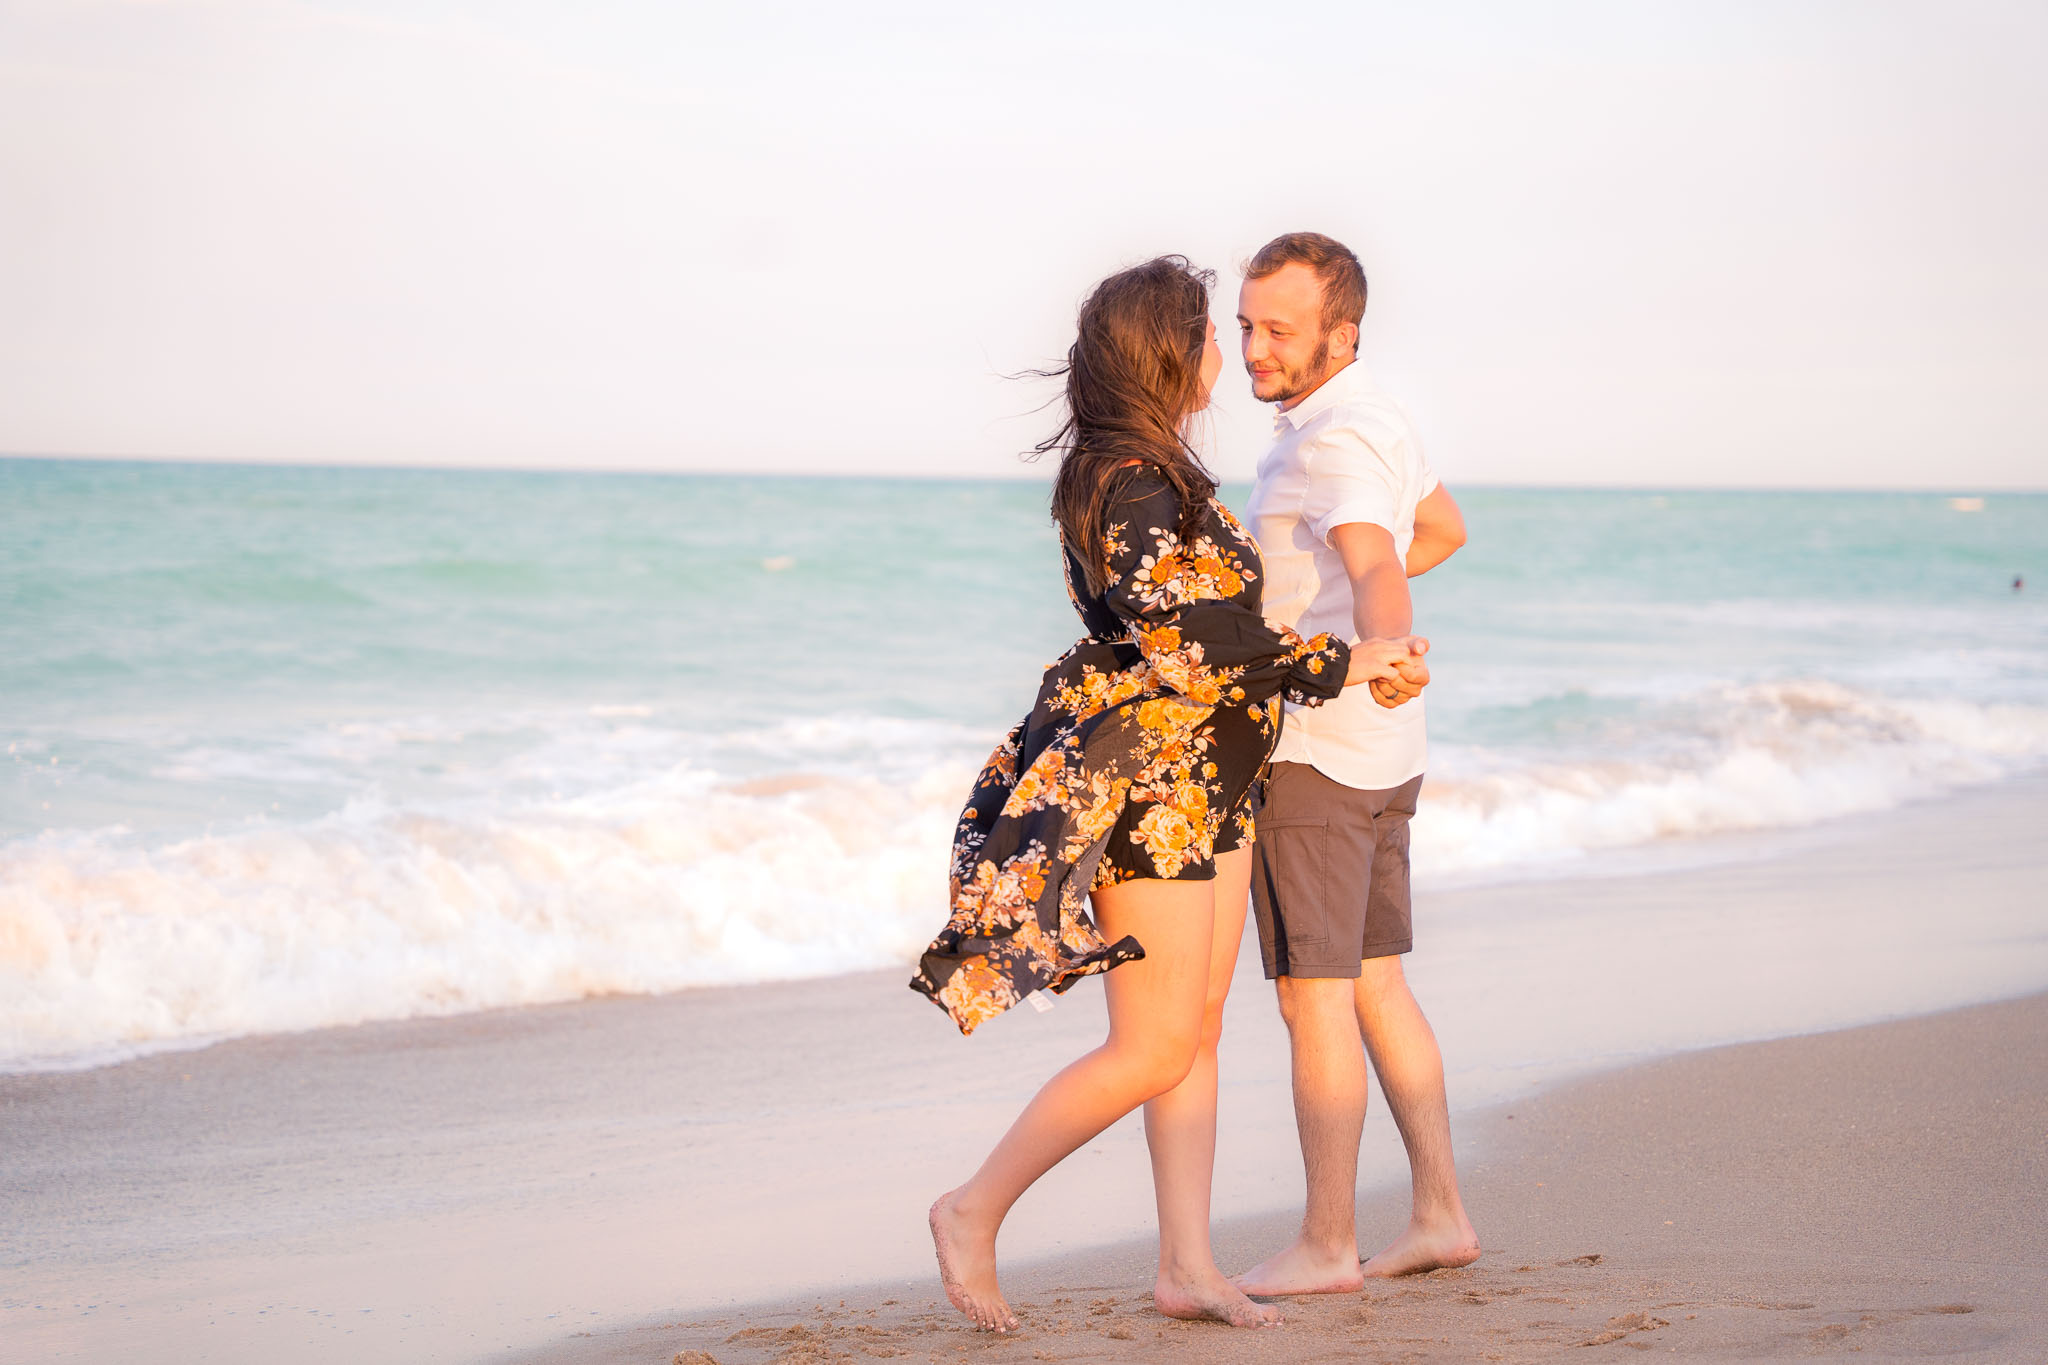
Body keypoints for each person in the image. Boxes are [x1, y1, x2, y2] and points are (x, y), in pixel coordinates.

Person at [908, 256, 1425, 1332]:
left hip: (1210, 782)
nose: (1220, 354)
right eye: (1204, 333)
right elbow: (1186, 640)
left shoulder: (1153, 466)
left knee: (1191, 1034)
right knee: (1151, 1045)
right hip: (1153, 790)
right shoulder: (1129, 478)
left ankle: (1186, 1265)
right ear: (1160, 351)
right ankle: (972, 1208)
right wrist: (1342, 663)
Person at [1230, 232, 1481, 1297]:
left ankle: (1328, 1243)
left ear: (1341, 331)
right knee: (1375, 981)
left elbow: (1384, 559)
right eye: (1245, 325)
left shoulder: (1330, 441)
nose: (1253, 349)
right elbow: (1445, 526)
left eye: (1277, 330)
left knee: (1312, 997)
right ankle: (1438, 1216)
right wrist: (1353, 625)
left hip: (1317, 754)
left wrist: (1373, 648)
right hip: (1383, 756)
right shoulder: (1375, 414)